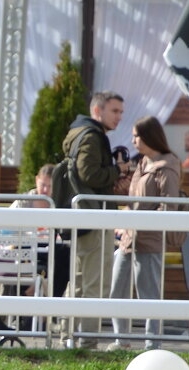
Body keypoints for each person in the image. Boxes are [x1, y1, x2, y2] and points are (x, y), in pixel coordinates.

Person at [63, 90, 130, 349]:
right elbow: (89, 174)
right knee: (94, 282)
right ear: (97, 111)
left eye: (121, 112)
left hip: (85, 215)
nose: (119, 117)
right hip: (93, 216)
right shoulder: (92, 136)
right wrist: (117, 170)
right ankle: (87, 342)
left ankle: (67, 336)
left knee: (80, 280)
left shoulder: (80, 132)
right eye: (114, 111)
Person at [107, 117, 181, 351]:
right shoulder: (142, 163)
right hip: (129, 238)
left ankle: (152, 346)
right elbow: (132, 198)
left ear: (149, 136)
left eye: (136, 136)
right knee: (117, 290)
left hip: (150, 240)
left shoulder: (168, 166)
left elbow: (169, 207)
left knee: (149, 295)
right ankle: (122, 341)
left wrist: (141, 220)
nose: (133, 141)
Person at [10, 164, 72, 297]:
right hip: (25, 246)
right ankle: (30, 292)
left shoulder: (60, 203)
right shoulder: (23, 202)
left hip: (51, 248)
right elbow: (7, 225)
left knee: (65, 255)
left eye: (50, 186)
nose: (45, 190)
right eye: (43, 184)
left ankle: (51, 299)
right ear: (36, 180)